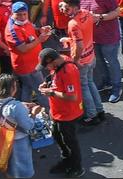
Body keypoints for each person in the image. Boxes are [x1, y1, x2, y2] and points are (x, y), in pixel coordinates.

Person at [77, 0, 123, 103]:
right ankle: (106, 82)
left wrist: (100, 17)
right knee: (99, 62)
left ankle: (117, 87)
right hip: (93, 37)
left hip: (109, 37)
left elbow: (117, 12)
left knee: (111, 62)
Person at [38, 48, 84, 177]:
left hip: (68, 115)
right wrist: (46, 83)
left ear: (52, 61)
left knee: (69, 142)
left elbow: (72, 96)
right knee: (58, 137)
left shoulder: (68, 71)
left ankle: (76, 167)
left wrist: (51, 93)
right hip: (57, 112)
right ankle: (66, 161)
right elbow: (54, 76)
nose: (47, 69)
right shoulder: (59, 63)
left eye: (47, 66)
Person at [60, 0, 103, 126]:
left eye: (67, 8)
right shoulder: (86, 13)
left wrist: (75, 60)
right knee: (90, 82)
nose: (64, 11)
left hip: (82, 60)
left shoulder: (73, 24)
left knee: (84, 87)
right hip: (91, 55)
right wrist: (70, 40)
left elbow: (79, 45)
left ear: (74, 8)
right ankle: (100, 110)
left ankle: (92, 115)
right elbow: (83, 34)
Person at [0, 74, 35, 178]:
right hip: (18, 139)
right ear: (12, 88)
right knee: (22, 168)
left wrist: (22, 105)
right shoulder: (15, 107)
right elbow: (29, 125)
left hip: (2, 137)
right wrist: (34, 113)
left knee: (8, 164)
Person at [4, 1, 50, 101]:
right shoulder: (13, 30)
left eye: (24, 14)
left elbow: (31, 31)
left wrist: (39, 30)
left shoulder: (24, 22)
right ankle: (49, 109)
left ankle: (25, 106)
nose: (22, 17)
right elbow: (23, 48)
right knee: (41, 90)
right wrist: (39, 40)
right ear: (12, 14)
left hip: (33, 63)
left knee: (27, 88)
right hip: (27, 67)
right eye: (19, 15)